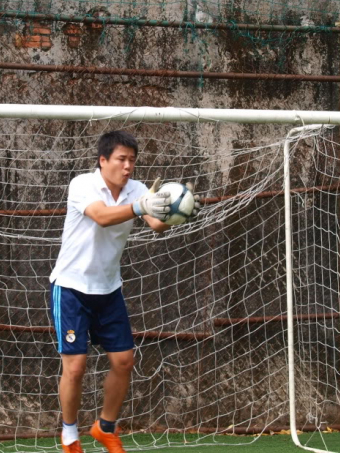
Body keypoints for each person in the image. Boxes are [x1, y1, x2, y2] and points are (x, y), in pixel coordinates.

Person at [49, 130, 200, 453]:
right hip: (72, 288)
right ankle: (70, 434)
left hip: (109, 289)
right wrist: (139, 205)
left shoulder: (138, 190)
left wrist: (181, 212)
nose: (128, 166)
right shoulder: (82, 184)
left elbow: (156, 224)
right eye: (121, 159)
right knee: (75, 368)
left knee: (124, 361)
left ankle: (105, 428)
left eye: (132, 160)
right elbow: (102, 217)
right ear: (103, 161)